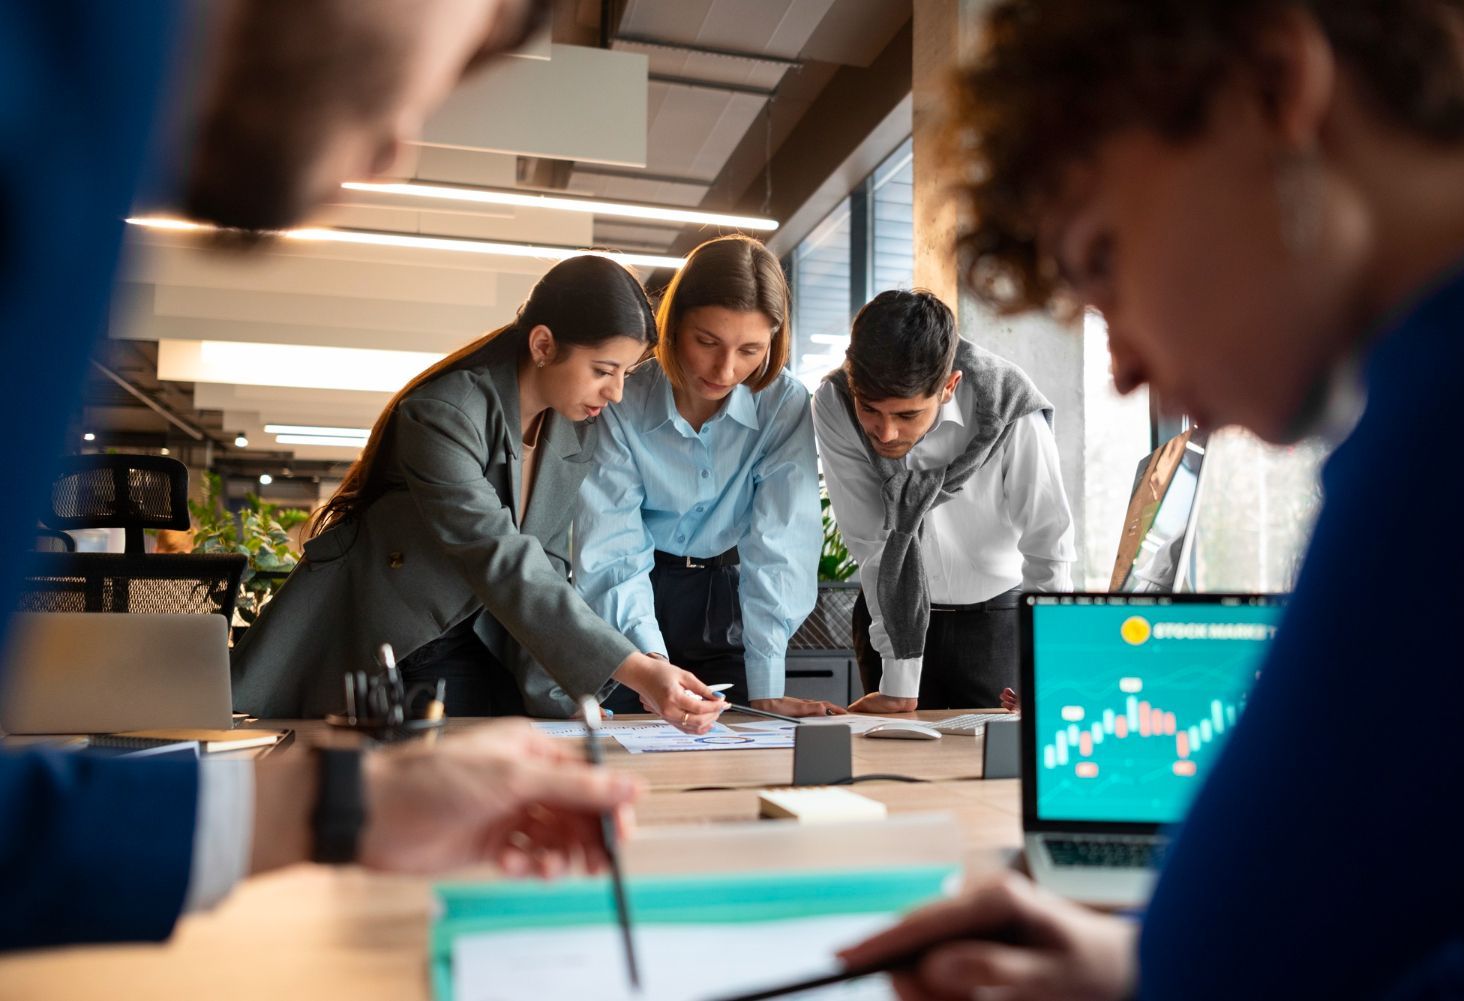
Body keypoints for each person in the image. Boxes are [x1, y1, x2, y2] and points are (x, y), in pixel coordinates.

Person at [840, 1, 1464, 997]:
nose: (1124, 365)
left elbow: (1216, 952)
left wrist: (1165, 961)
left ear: (1276, 87)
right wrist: (1130, 963)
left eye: (1105, 259)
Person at [0, 0, 653, 952]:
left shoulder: (71, 119)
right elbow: (500, 553)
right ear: (547, 342)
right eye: (462, 44)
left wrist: (323, 803)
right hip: (384, 654)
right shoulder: (61, 91)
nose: (394, 147)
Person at [232, 255, 730, 731]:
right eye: (603, 371)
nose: (616, 393)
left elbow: (548, 569)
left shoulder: (575, 431)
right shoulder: (444, 414)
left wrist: (568, 698)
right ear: (542, 345)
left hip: (488, 644)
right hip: (402, 644)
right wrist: (639, 670)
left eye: (626, 373)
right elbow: (500, 558)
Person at [573, 236, 844, 718]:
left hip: (730, 597)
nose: (726, 369)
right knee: (631, 742)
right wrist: (649, 664)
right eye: (708, 342)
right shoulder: (621, 398)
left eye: (750, 350)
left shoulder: (782, 404)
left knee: (737, 744)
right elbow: (614, 548)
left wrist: (767, 685)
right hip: (633, 593)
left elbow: (779, 545)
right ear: (673, 326)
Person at [812, 290, 1076, 714]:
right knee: (893, 766)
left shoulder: (1009, 405)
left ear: (949, 386)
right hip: (892, 621)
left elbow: (1049, 546)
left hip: (996, 621)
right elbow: (873, 543)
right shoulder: (835, 403)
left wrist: (1043, 665)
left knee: (995, 773)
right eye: (871, 410)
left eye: (907, 415)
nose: (885, 433)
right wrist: (899, 680)